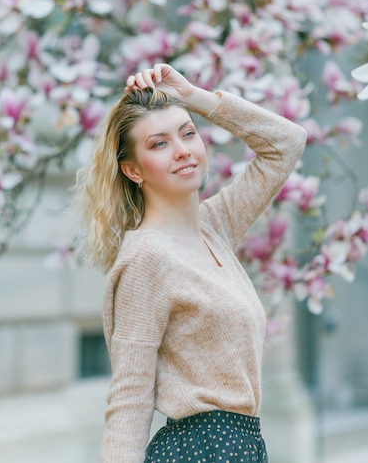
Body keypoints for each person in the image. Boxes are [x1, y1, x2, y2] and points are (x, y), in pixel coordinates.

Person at [73, 63, 307, 463]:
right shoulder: (147, 259)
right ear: (132, 169)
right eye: (159, 144)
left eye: (188, 133)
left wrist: (195, 97)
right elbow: (130, 396)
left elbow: (286, 142)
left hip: (243, 446)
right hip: (198, 450)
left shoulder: (215, 226)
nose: (182, 150)